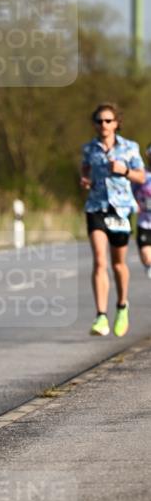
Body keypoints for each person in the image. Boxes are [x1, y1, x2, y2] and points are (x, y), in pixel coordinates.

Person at [80, 103, 145, 337]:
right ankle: (100, 316)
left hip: (121, 209)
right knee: (99, 260)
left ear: (116, 123)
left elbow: (141, 176)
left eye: (108, 120)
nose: (103, 125)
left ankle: (122, 306)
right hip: (96, 206)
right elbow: (85, 170)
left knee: (118, 264)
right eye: (99, 121)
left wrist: (124, 170)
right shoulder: (89, 148)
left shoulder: (129, 147)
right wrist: (85, 179)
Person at [132, 143, 151, 280]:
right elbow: (130, 193)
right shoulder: (141, 174)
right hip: (145, 222)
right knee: (147, 257)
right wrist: (135, 203)